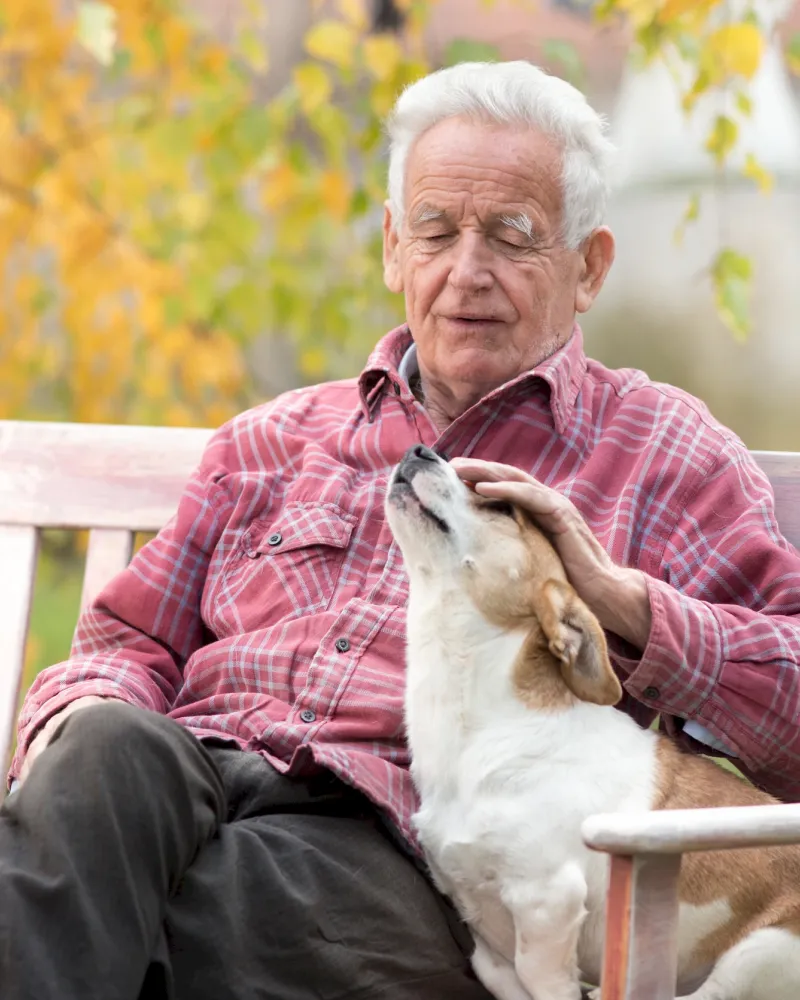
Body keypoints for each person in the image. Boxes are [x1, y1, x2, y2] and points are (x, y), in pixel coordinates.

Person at [3, 59, 800, 1000]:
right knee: (102, 752)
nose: (468, 272)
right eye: (436, 230)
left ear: (588, 266)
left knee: (187, 903)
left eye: (513, 235)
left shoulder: (664, 452)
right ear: (393, 248)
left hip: (385, 834)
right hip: (185, 778)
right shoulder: (269, 439)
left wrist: (623, 603)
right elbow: (127, 642)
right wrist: (85, 723)